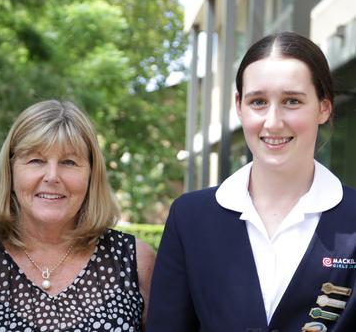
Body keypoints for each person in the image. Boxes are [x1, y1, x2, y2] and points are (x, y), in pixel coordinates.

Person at [147, 31, 356, 331]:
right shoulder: (190, 218)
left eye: (292, 101)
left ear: (324, 107)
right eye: (258, 101)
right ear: (239, 105)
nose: (272, 122)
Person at [0, 99, 155, 331]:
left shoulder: (136, 262)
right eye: (36, 160)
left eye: (69, 162)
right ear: (11, 171)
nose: (52, 176)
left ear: (91, 174)